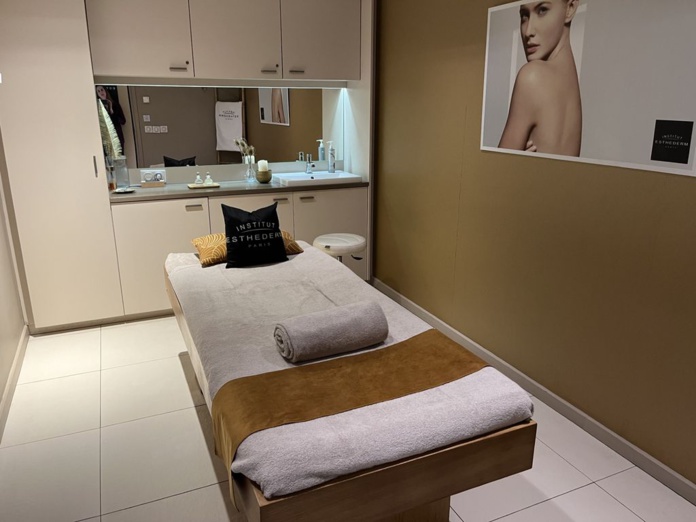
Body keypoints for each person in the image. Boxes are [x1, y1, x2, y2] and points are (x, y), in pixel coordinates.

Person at [498, 0, 582, 156]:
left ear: (570, 8)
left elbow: (495, 167)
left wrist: (515, 165)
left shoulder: (532, 77)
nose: (528, 31)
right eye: (524, 16)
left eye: (542, 10)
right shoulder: (570, 83)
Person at [96, 85, 126, 150]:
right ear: (97, 94)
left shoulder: (115, 104)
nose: (101, 92)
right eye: (98, 91)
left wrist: (112, 111)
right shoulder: (98, 107)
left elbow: (123, 121)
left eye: (102, 90)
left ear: (105, 91)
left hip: (117, 136)